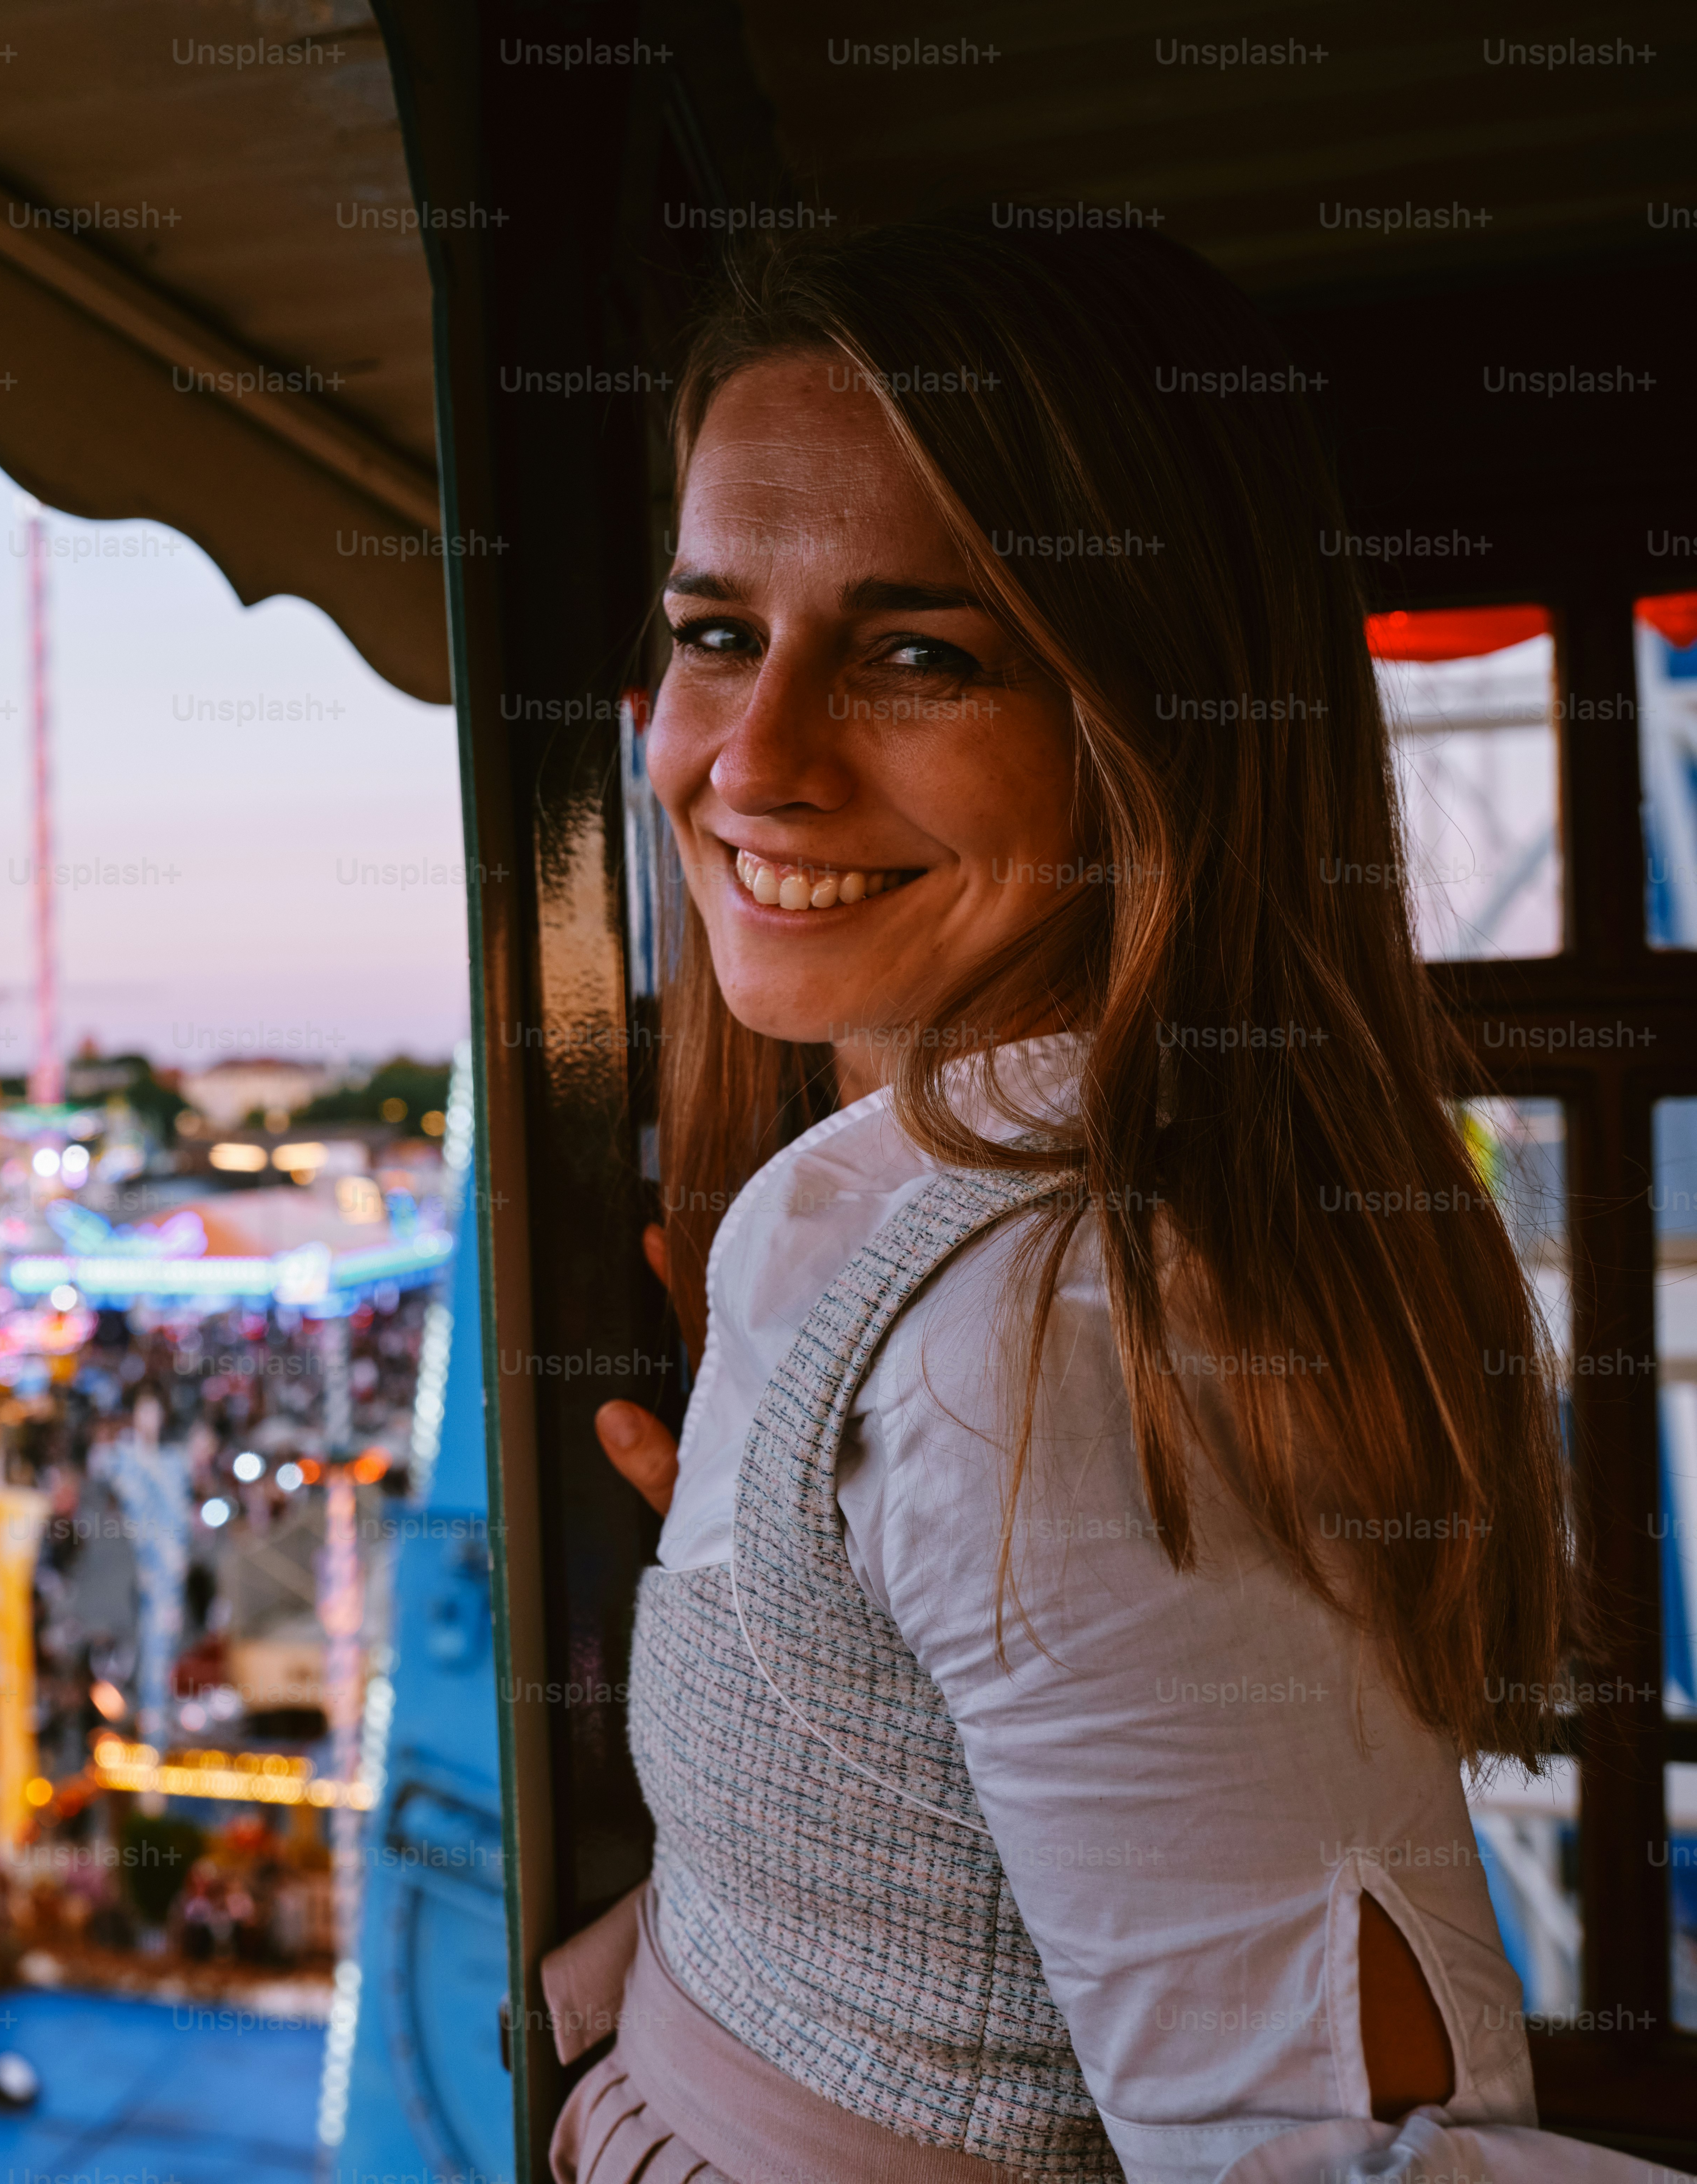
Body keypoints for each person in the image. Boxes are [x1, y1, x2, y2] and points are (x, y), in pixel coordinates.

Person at [544, 218, 1647, 2184]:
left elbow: (1331, 2154)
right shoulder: (938, 1256)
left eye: (914, 654)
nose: (750, 761)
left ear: (1155, 725)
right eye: (717, 632)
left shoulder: (1041, 1331)